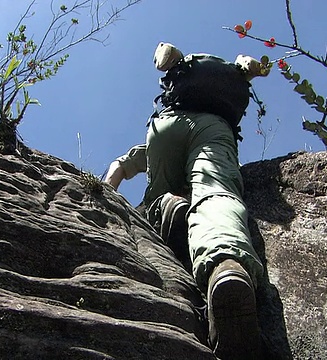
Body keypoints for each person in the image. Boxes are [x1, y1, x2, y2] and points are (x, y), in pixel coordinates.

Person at [104, 43, 267, 359]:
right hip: (215, 128)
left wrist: (104, 197)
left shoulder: (164, 118)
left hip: (165, 127)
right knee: (215, 191)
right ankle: (225, 267)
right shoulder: (219, 107)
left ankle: (165, 207)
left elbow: (119, 168)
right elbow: (247, 67)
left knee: (158, 192)